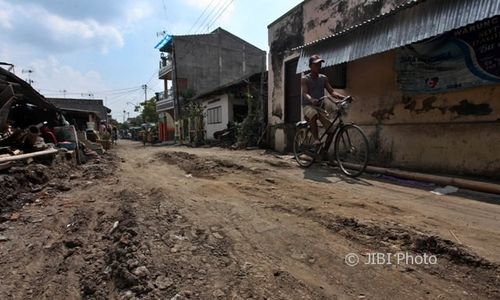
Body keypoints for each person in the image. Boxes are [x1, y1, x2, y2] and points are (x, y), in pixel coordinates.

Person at [302, 54, 346, 145]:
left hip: (320, 108)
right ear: (310, 66)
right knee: (313, 113)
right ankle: (316, 139)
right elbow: (305, 93)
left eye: (320, 64)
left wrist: (344, 97)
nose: (318, 66)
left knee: (332, 130)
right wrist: (312, 99)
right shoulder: (305, 79)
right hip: (308, 106)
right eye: (316, 64)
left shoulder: (323, 78)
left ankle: (324, 152)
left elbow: (332, 92)